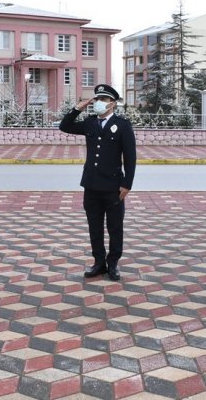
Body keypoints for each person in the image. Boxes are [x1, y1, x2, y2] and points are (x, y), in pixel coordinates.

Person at [59, 84, 136, 281]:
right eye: (97, 99)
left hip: (113, 187)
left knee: (115, 227)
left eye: (103, 100)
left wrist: (127, 184)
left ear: (112, 103)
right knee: (95, 227)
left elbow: (130, 157)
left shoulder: (123, 125)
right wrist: (78, 108)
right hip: (91, 185)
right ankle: (99, 262)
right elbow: (64, 126)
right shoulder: (90, 123)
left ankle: (113, 264)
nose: (99, 103)